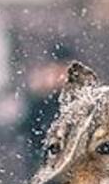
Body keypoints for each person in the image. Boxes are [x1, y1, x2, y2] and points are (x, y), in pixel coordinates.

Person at [17, 42, 78, 171]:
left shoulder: (78, 99)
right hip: (42, 161)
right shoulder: (41, 99)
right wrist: (38, 95)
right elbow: (26, 128)